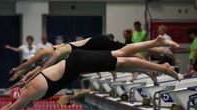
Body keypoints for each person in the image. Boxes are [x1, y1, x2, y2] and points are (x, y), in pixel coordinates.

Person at [0, 36, 179, 110]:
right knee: (120, 58)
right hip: (77, 61)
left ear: (21, 98)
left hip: (78, 60)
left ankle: (161, 64)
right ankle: (156, 57)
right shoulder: (28, 88)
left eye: (20, 103)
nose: (22, 107)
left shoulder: (31, 92)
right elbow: (7, 108)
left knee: (121, 60)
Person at [10, 34, 173, 84]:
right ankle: (148, 70)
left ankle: (156, 48)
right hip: (92, 47)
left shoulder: (53, 52)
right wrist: (23, 75)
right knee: (120, 58)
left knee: (126, 50)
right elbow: (37, 68)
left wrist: (21, 73)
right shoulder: (55, 53)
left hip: (95, 43)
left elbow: (39, 67)